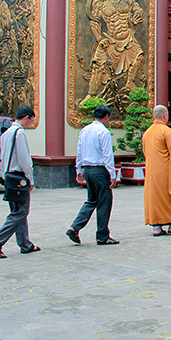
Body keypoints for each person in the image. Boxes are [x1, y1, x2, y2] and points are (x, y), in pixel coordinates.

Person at [0, 106, 39, 258]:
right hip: (19, 176)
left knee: (17, 211)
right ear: (27, 117)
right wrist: (30, 178)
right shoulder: (19, 133)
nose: (30, 124)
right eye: (31, 121)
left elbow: (4, 157)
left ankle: (25, 244)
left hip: (9, 176)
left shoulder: (6, 133)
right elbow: (24, 158)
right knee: (21, 212)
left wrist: (4, 175)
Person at [67, 105, 119, 245]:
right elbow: (107, 155)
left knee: (92, 200)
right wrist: (112, 174)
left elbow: (80, 151)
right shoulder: (104, 132)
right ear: (106, 116)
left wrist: (79, 169)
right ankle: (102, 235)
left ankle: (75, 227)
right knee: (104, 201)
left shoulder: (84, 130)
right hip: (100, 170)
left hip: (88, 169)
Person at [143, 105, 171, 236]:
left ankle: (156, 228)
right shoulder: (166, 131)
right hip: (165, 170)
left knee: (154, 198)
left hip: (151, 171)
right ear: (164, 115)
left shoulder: (147, 132)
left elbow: (146, 152)